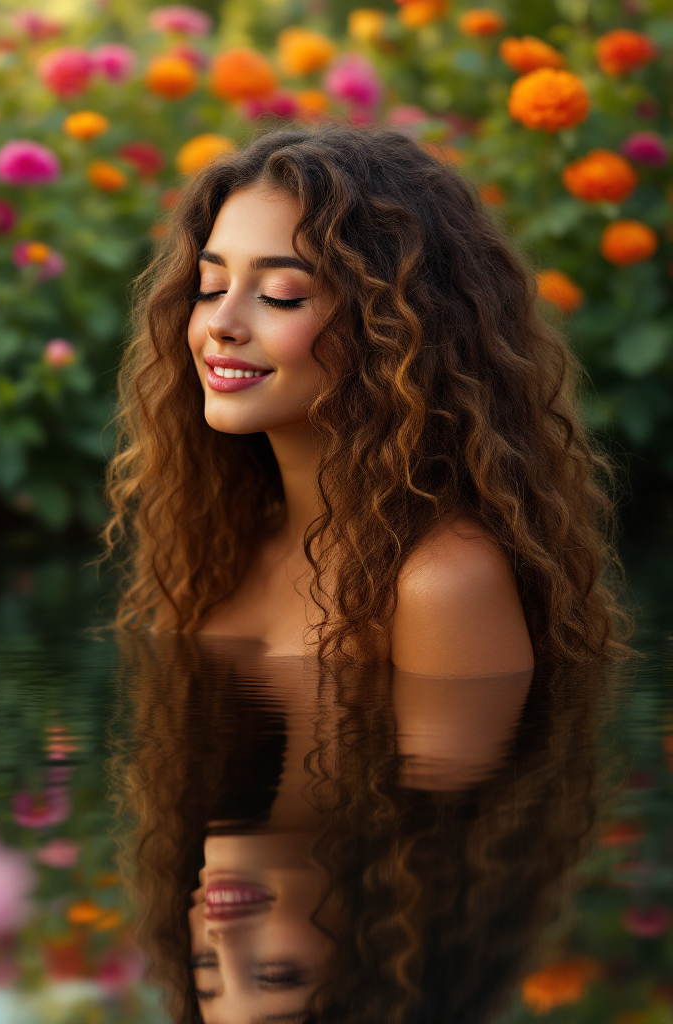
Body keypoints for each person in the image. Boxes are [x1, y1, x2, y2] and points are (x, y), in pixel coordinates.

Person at [101, 124, 631, 669]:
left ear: (395, 330)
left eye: (282, 296)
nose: (222, 323)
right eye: (209, 288)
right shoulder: (224, 542)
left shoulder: (441, 581)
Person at [109, 632, 604, 1024]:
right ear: (382, 948)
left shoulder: (440, 582)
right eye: (277, 974)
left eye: (205, 973)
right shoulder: (215, 555)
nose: (220, 943)